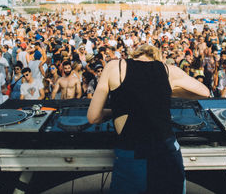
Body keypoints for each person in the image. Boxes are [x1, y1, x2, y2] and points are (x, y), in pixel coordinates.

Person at [87, 44, 210, 194]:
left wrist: (116, 112)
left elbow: (93, 117)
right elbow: (204, 92)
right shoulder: (168, 70)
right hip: (167, 151)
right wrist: (170, 91)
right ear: (157, 57)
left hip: (131, 152)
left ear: (134, 55)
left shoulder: (115, 66)